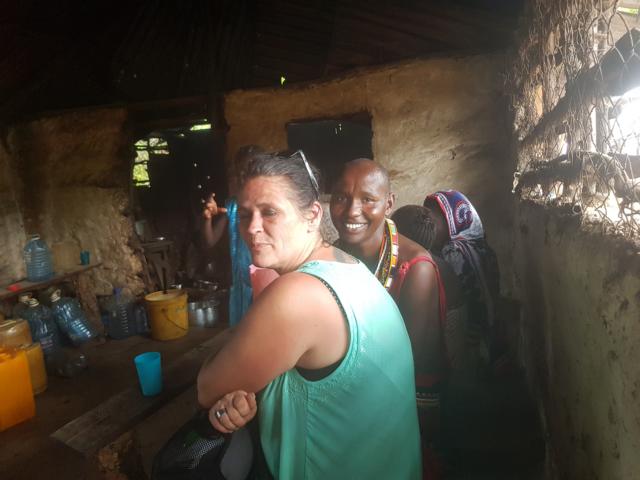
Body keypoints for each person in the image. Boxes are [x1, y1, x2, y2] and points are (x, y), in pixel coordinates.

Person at [197, 152, 421, 480]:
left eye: (269, 212)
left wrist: (236, 358)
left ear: (313, 215)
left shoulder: (297, 295)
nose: (252, 228)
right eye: (245, 215)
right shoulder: (347, 265)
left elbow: (207, 388)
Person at [330, 159, 448, 431]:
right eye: (341, 198)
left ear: (389, 203)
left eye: (368, 199)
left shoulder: (416, 267)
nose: (352, 211)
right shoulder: (336, 254)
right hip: (355, 388)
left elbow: (405, 362)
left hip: (404, 398)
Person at [422, 190, 501, 364]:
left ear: (452, 222)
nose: (428, 227)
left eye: (433, 222)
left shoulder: (454, 252)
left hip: (467, 332)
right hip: (487, 328)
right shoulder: (482, 246)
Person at [201, 145, 267, 326]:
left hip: (264, 283)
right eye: (239, 173)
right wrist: (207, 218)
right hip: (240, 286)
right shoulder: (231, 206)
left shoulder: (268, 207)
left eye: (248, 172)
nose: (241, 178)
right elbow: (210, 241)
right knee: (242, 331)